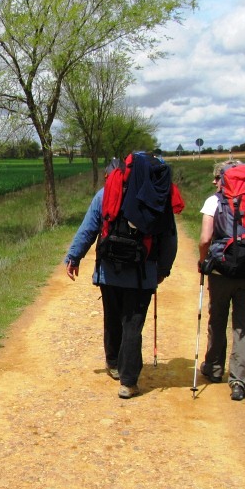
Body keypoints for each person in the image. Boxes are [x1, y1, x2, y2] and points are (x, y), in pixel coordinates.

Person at [64, 159, 177, 399]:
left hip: (109, 271)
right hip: (141, 275)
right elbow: (169, 237)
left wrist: (74, 257)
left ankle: (114, 362)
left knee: (113, 318)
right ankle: (128, 382)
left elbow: (89, 228)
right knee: (132, 325)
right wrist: (163, 269)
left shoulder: (106, 193)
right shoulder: (157, 197)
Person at [197, 159, 245, 401]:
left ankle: (214, 368)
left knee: (218, 318)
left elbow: (205, 239)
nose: (214, 182)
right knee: (243, 325)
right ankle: (239, 381)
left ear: (222, 179)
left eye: (216, 178)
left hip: (222, 271)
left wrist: (203, 262)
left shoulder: (214, 201)